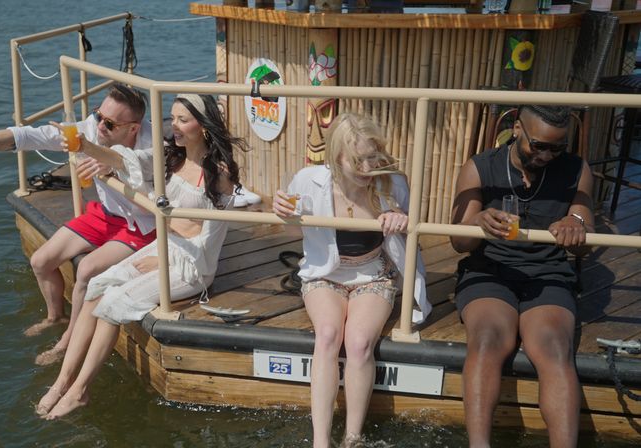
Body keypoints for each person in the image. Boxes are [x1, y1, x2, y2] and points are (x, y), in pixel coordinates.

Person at [0, 83, 155, 365]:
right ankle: (55, 317)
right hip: (105, 215)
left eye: (110, 124)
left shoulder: (154, 146)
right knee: (41, 261)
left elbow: (151, 181)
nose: (100, 126)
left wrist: (114, 165)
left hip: (141, 224)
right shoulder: (90, 129)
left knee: (86, 270)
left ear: (134, 128)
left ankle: (68, 339)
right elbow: (28, 136)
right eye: (98, 115)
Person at [35, 93, 243, 419]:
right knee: (96, 286)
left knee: (113, 302)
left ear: (203, 127)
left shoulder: (218, 172)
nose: (174, 126)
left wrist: (164, 259)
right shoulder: (170, 156)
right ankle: (62, 382)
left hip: (192, 264)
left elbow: (208, 236)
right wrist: (84, 145)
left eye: (182, 120)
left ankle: (80, 390)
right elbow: (123, 160)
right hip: (164, 248)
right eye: (173, 118)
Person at [273, 113, 429, 448]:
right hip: (326, 274)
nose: (367, 168)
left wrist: (402, 219)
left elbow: (415, 230)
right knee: (328, 335)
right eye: (358, 160)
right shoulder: (308, 180)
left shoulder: (392, 183)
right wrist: (282, 210)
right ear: (336, 156)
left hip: (374, 273)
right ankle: (321, 441)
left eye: (373, 157)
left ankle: (352, 438)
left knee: (358, 343)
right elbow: (290, 225)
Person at [450, 104, 593, 448]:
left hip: (548, 273)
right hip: (489, 270)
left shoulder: (576, 169)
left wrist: (576, 226)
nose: (546, 156)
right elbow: (458, 243)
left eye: (557, 148)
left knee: (555, 346)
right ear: (517, 129)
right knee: (487, 339)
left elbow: (584, 243)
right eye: (538, 145)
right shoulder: (480, 167)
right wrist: (477, 222)